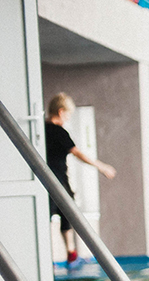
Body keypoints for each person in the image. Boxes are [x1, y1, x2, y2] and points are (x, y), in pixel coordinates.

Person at [44, 93, 116, 265]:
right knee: (67, 212)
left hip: (46, 178)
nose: (68, 118)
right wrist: (101, 166)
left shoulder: (40, 129)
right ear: (61, 112)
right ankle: (67, 252)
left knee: (52, 215)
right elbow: (78, 153)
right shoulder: (59, 132)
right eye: (68, 114)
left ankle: (63, 253)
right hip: (57, 179)